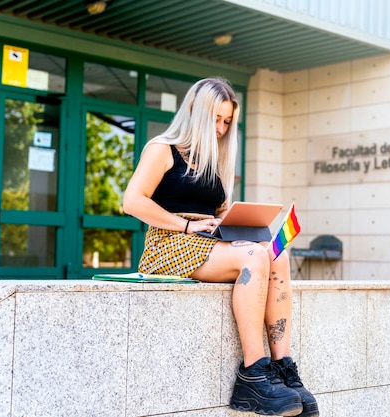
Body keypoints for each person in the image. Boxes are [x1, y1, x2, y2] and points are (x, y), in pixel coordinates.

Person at [123, 77, 318, 417]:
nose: (221, 127)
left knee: (276, 254)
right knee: (255, 257)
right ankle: (253, 374)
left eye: (227, 121)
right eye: (216, 118)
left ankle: (283, 369)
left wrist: (244, 223)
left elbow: (219, 214)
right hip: (168, 244)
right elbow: (132, 201)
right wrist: (186, 224)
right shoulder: (163, 149)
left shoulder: (215, 162)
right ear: (196, 111)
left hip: (208, 242)